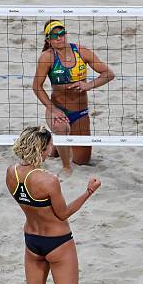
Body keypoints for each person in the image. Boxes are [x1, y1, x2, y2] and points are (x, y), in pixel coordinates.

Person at [5, 126, 101, 284]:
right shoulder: (48, 180)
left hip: (32, 241)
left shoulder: (11, 173)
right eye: (50, 145)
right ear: (42, 148)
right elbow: (64, 213)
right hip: (57, 243)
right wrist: (88, 192)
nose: (53, 148)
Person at [33, 20, 115, 176]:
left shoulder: (81, 52)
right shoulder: (47, 57)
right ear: (48, 40)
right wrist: (53, 109)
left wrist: (88, 85)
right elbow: (36, 86)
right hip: (58, 110)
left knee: (82, 160)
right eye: (54, 35)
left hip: (80, 112)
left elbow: (109, 74)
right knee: (62, 128)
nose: (59, 38)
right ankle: (65, 167)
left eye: (62, 33)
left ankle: (55, 144)